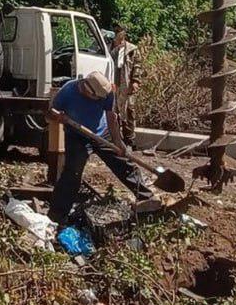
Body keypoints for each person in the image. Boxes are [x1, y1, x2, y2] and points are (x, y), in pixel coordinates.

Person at [47, 70, 160, 223]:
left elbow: (110, 116)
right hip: (77, 136)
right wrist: (59, 117)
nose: (101, 100)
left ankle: (146, 197)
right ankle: (57, 215)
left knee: (122, 163)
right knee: (72, 174)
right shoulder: (68, 91)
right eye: (97, 98)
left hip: (102, 133)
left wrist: (118, 142)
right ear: (87, 91)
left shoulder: (106, 91)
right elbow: (49, 114)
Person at [110, 24, 142, 147]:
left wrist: (135, 81)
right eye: (116, 31)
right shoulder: (108, 47)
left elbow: (137, 66)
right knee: (113, 112)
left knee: (129, 111)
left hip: (126, 84)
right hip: (112, 84)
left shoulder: (131, 50)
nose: (118, 33)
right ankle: (116, 139)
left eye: (120, 31)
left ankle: (130, 141)